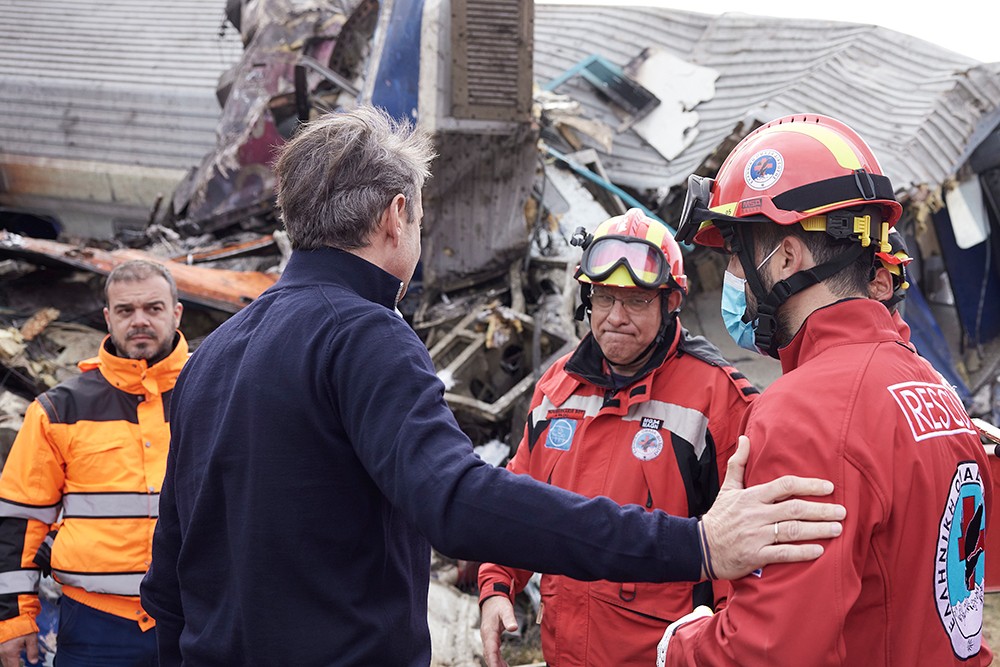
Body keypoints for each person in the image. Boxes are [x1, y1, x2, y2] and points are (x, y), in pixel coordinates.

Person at [139, 105, 846, 666]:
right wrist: (692, 544)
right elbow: (460, 500)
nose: (617, 315)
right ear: (395, 216)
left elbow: (170, 569)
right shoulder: (367, 336)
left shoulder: (211, 354)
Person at [660, 113, 993, 665]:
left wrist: (681, 646)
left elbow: (769, 651)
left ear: (787, 256)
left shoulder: (804, 412)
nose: (735, 278)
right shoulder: (932, 385)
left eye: (738, 255)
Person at [477, 208, 757, 667]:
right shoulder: (556, 389)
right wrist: (496, 586)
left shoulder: (717, 399)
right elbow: (518, 506)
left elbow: (744, 551)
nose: (616, 317)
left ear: (671, 303)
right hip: (563, 653)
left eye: (637, 302)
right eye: (604, 299)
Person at [0, 259, 188, 666]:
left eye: (153, 308)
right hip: (95, 627)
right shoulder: (58, 409)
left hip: (198, 617)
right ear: (107, 318)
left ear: (176, 312)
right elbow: (20, 521)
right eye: (125, 310)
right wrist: (13, 619)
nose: (139, 320)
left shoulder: (216, 394)